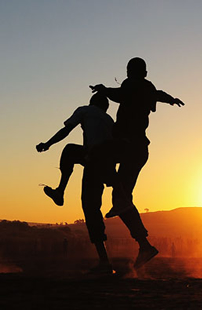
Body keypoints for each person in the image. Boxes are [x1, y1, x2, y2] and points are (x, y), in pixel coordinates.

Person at [90, 57, 184, 268]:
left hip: (127, 146)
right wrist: (171, 99)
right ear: (146, 72)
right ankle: (144, 246)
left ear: (130, 72)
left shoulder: (131, 85)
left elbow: (120, 95)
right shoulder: (148, 88)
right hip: (139, 150)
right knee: (121, 199)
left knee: (99, 155)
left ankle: (109, 179)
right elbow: (158, 95)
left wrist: (104, 89)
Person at [37, 93, 116, 274]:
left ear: (92, 103)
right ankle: (104, 262)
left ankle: (61, 191)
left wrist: (48, 143)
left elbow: (66, 130)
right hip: (104, 165)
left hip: (93, 160)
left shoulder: (85, 111)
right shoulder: (109, 120)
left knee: (69, 150)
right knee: (92, 207)